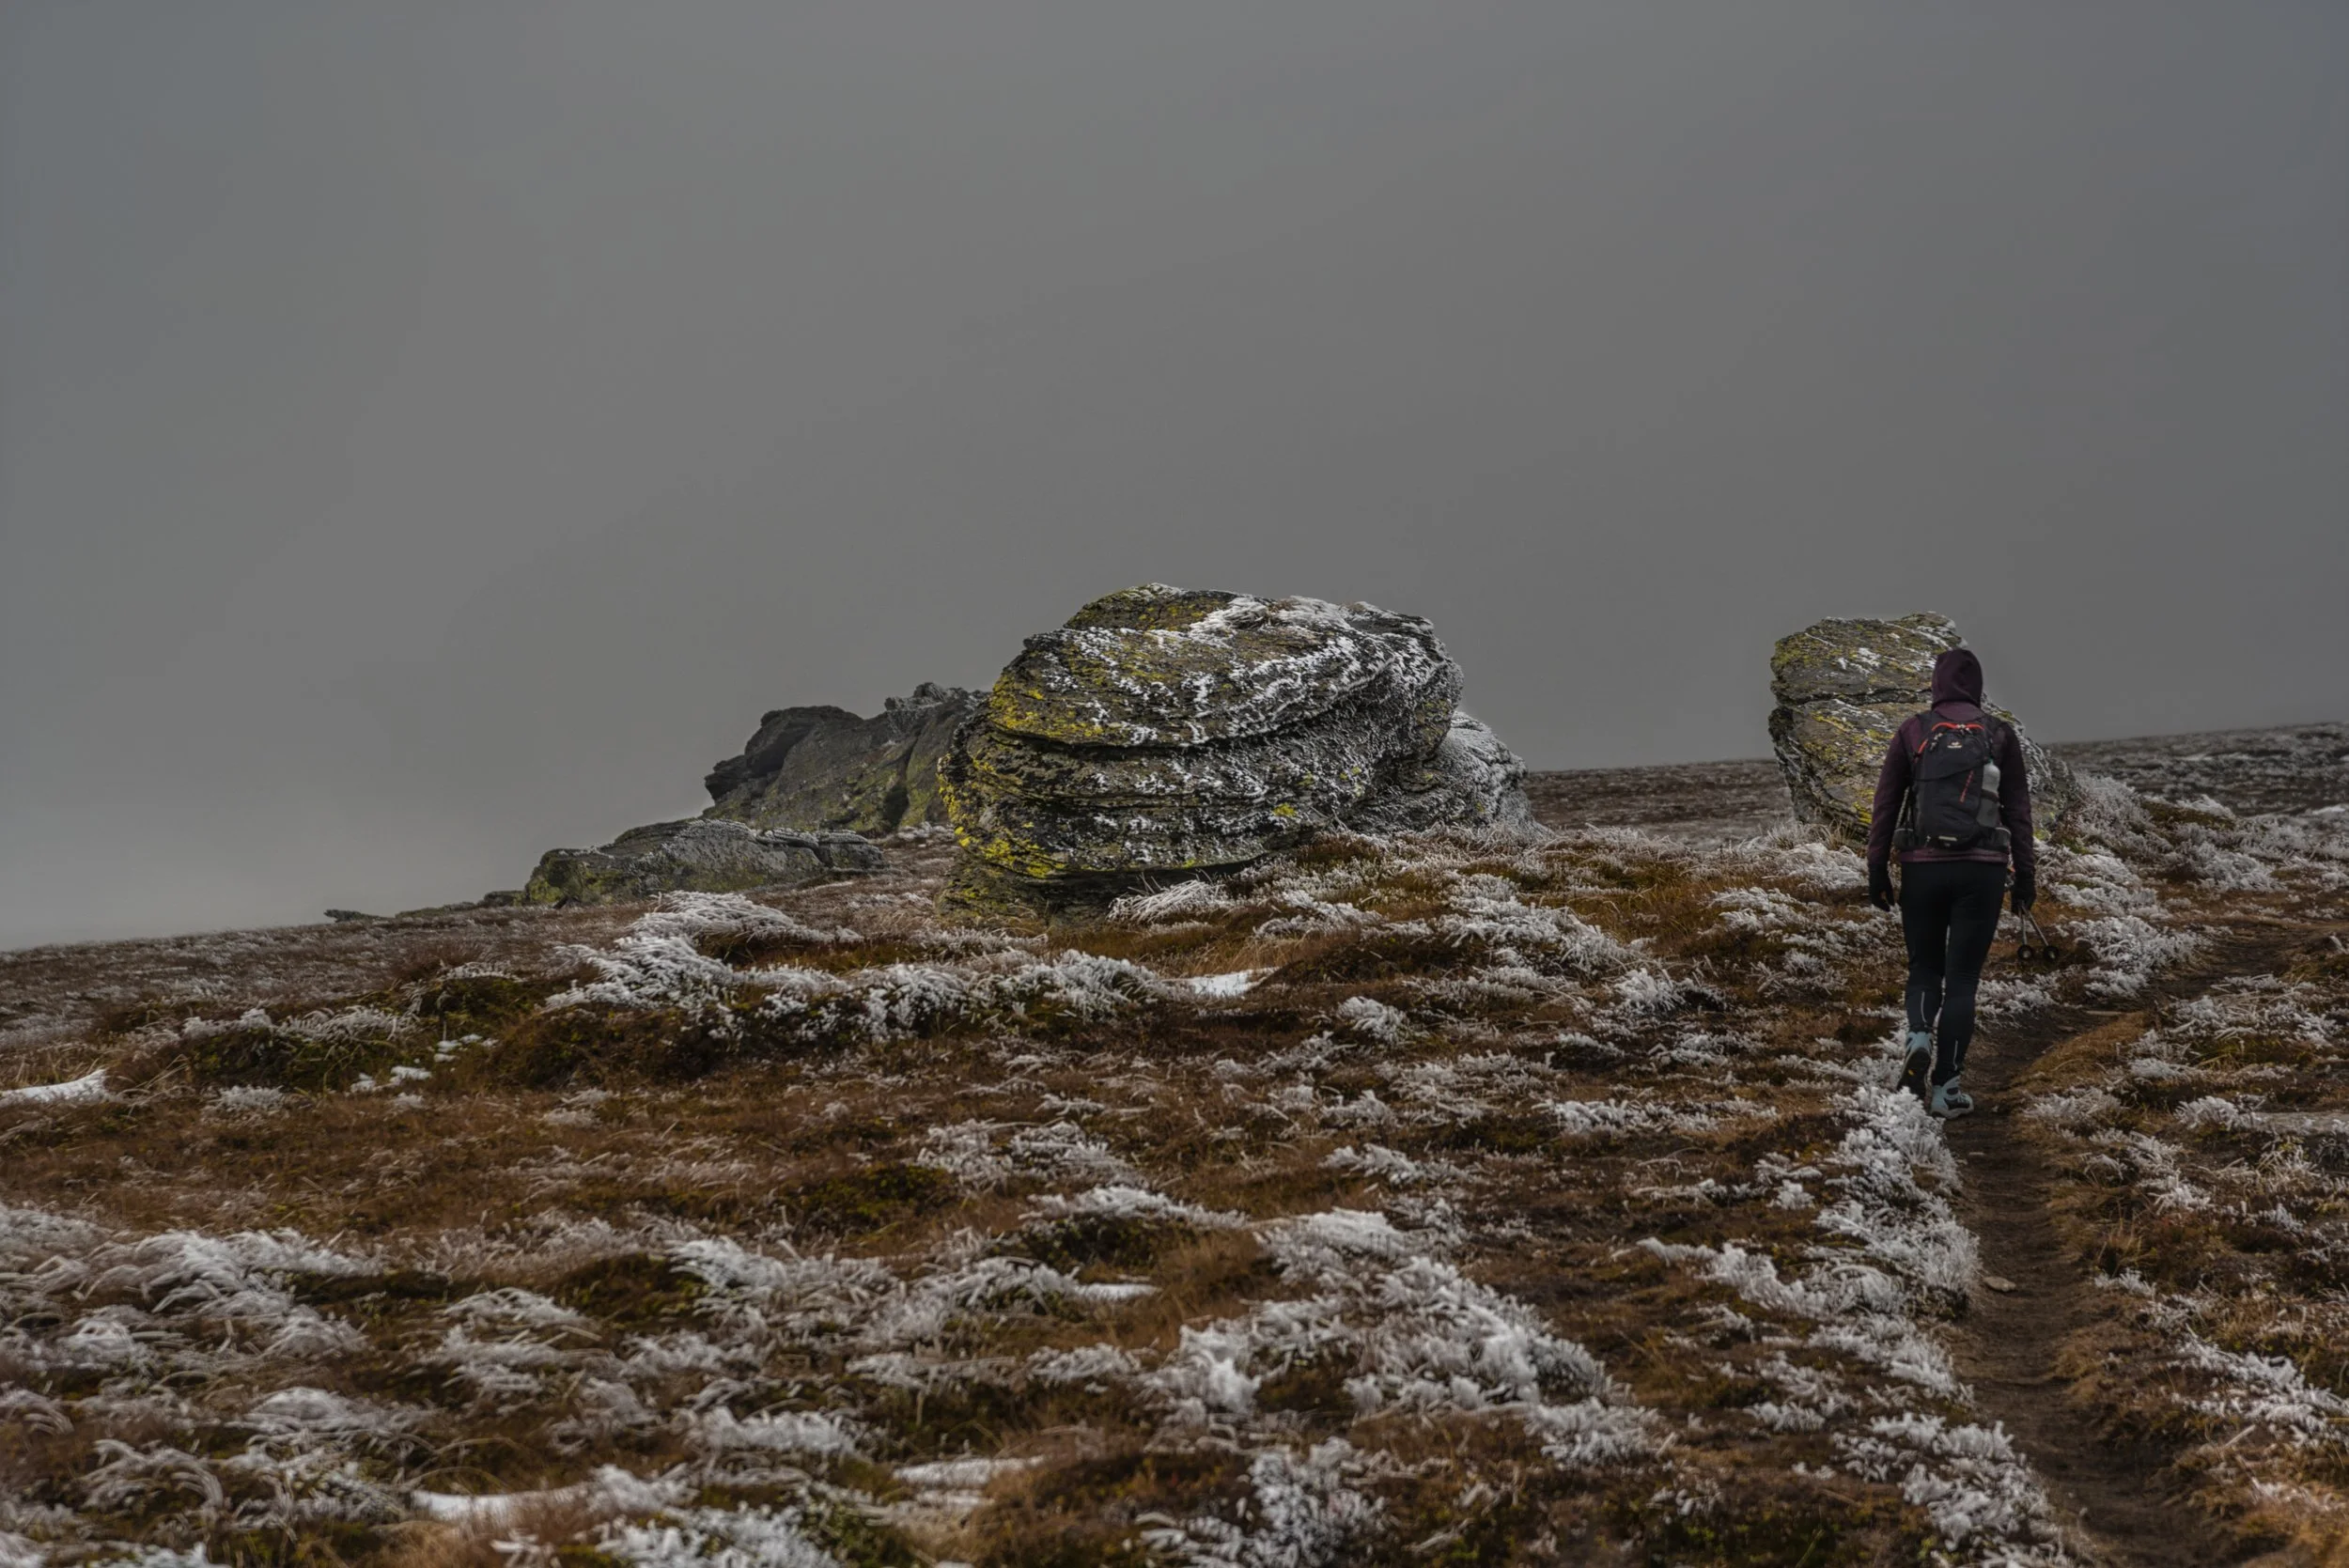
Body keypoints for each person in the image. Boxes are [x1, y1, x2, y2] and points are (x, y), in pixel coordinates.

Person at [1865, 647, 2034, 1119]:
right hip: (1982, 870)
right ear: (1977, 686)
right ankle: (1946, 1089)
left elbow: (1885, 804)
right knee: (1962, 980)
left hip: (1922, 866)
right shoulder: (1999, 734)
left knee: (1924, 968)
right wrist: (2026, 879)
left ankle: (1918, 1037)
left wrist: (1877, 868)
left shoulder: (1913, 731)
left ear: (1936, 685)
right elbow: (2019, 813)